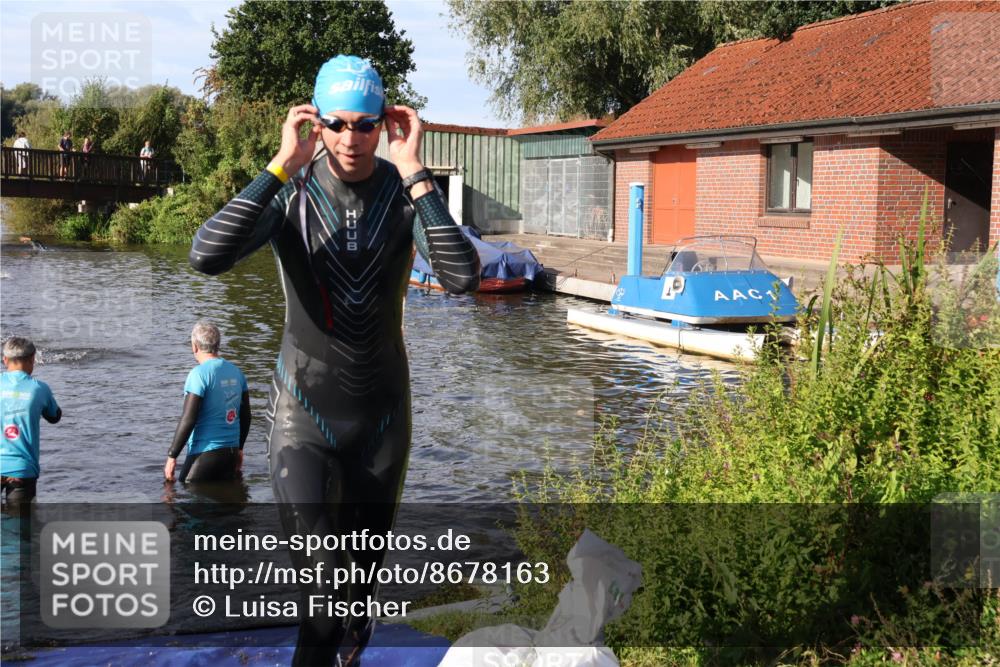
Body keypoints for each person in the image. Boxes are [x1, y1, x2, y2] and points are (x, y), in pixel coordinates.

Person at [188, 54, 480, 666]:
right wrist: (279, 165)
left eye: (366, 125)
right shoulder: (290, 195)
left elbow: (461, 277)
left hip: (382, 420)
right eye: (337, 124)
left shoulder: (403, 196)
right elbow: (205, 256)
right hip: (304, 417)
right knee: (321, 600)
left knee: (353, 597)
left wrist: (415, 170)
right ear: (315, 123)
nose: (351, 139)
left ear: (385, 124)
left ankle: (355, 624)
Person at [163, 321, 250, 484]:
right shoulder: (237, 373)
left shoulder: (198, 375)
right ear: (218, 345)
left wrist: (172, 456)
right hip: (230, 454)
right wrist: (239, 449)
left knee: (180, 492)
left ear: (194, 346)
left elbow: (189, 419)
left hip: (204, 454)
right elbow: (246, 416)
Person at [0, 337, 62, 507]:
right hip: (22, 469)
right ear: (32, 359)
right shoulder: (39, 388)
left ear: (5, 359)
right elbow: (55, 417)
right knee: (19, 522)